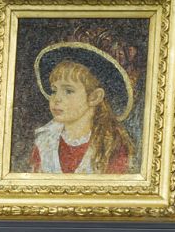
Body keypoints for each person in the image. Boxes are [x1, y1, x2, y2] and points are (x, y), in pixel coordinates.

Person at [28, 42, 136, 174]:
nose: (56, 99)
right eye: (54, 90)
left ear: (95, 97)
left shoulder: (112, 146)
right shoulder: (44, 142)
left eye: (68, 91)